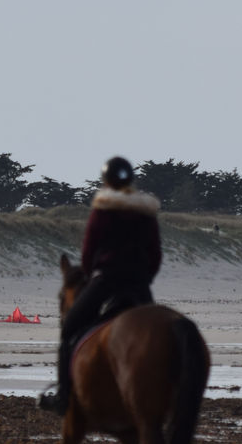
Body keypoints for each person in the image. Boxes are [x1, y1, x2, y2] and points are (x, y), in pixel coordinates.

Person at [39, 156, 161, 415]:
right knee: (156, 339)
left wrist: (95, 272)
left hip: (107, 280)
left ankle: (63, 398)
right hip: (139, 285)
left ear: (106, 181)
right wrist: (143, 279)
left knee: (70, 328)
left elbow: (87, 255)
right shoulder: (146, 214)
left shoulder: (102, 211)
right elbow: (155, 255)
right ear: (131, 181)